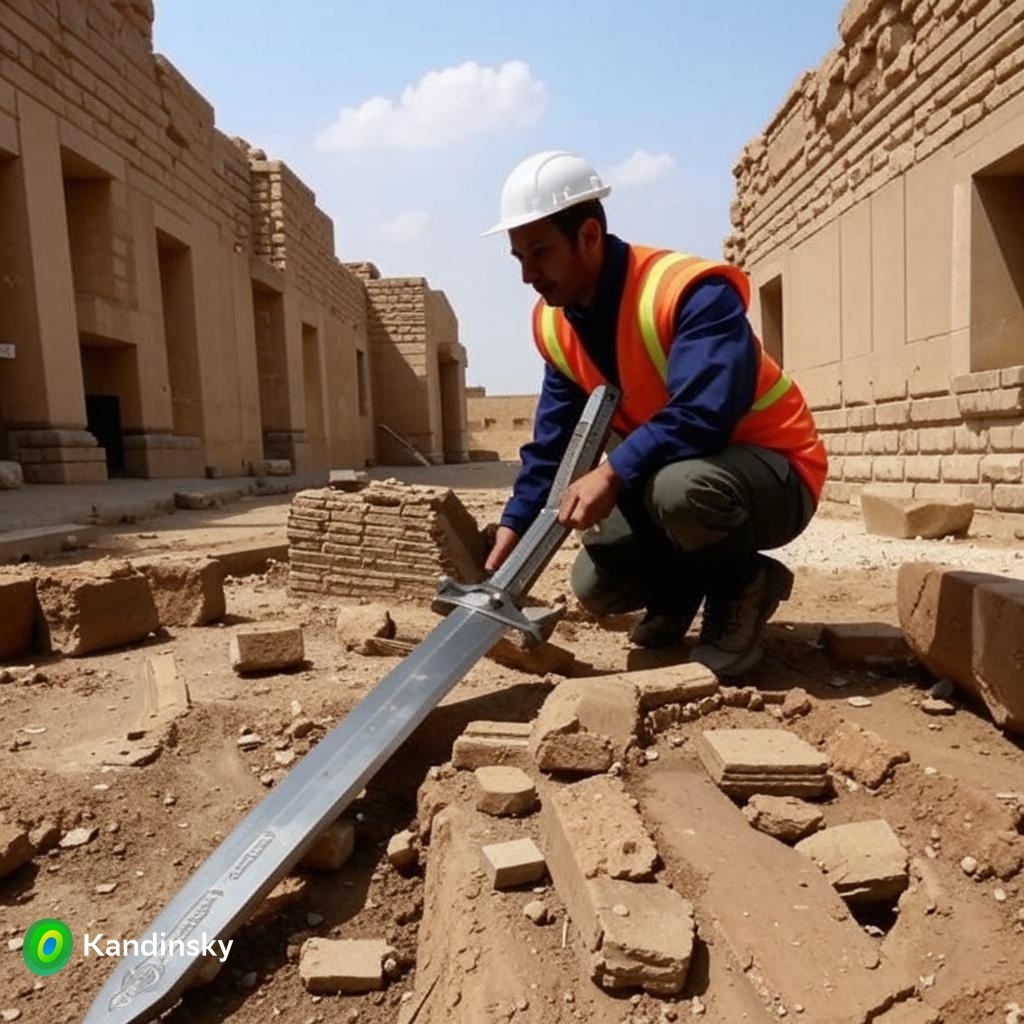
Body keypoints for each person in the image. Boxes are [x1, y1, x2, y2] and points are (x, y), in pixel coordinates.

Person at [480, 151, 828, 676]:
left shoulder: (689, 292)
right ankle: (682, 589)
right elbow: (553, 446)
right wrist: (516, 524)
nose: (529, 274)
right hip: (679, 467)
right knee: (597, 584)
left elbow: (703, 415)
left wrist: (612, 472)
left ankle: (742, 585)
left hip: (776, 473)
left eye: (541, 253)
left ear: (589, 236)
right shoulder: (557, 323)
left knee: (679, 491)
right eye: (519, 258)